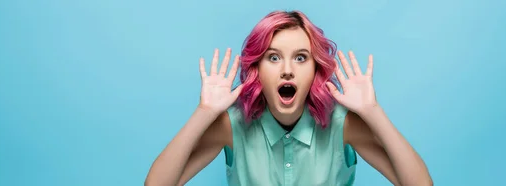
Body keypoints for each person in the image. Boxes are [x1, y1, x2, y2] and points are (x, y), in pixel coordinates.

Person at [145, 10, 432, 186]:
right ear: (257, 68)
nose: (286, 70)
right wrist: (204, 112)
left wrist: (372, 111)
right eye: (273, 57)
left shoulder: (342, 124)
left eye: (300, 58)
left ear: (315, 69)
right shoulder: (232, 126)